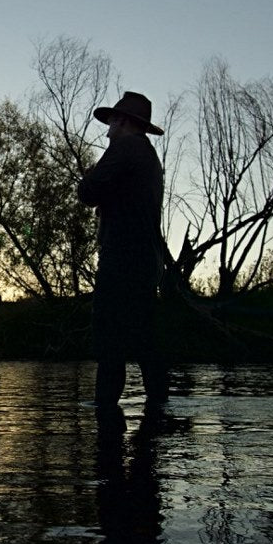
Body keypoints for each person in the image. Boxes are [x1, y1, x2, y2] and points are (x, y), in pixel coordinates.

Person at [78, 91, 168, 427]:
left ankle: (106, 421)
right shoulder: (148, 155)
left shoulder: (125, 148)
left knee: (110, 343)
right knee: (146, 343)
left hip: (121, 261)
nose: (107, 130)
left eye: (112, 121)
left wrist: (88, 176)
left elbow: (88, 193)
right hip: (146, 263)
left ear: (124, 122)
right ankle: (158, 421)